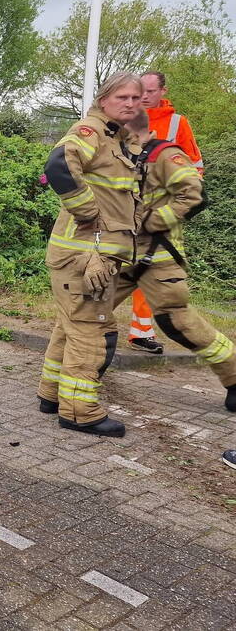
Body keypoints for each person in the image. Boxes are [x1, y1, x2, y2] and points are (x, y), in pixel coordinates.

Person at [36, 72, 145, 438]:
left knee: (70, 327)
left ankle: (51, 395)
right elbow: (58, 166)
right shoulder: (92, 131)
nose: (130, 103)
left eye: (136, 98)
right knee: (93, 331)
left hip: (91, 255)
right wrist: (89, 215)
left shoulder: (117, 139)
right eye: (122, 97)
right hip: (84, 256)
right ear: (103, 99)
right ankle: (80, 412)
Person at [113, 108, 236, 412]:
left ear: (133, 130)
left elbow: (194, 195)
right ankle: (80, 376)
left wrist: (156, 221)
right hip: (122, 254)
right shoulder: (123, 156)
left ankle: (234, 376)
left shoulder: (166, 154)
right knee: (89, 310)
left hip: (159, 256)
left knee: (177, 322)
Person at [122, 71, 205, 354]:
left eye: (149, 91)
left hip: (159, 214)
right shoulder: (126, 118)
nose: (144, 96)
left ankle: (140, 332)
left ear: (162, 91)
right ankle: (92, 328)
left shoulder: (176, 123)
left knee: (151, 270)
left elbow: (195, 168)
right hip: (127, 209)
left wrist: (173, 208)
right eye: (139, 90)